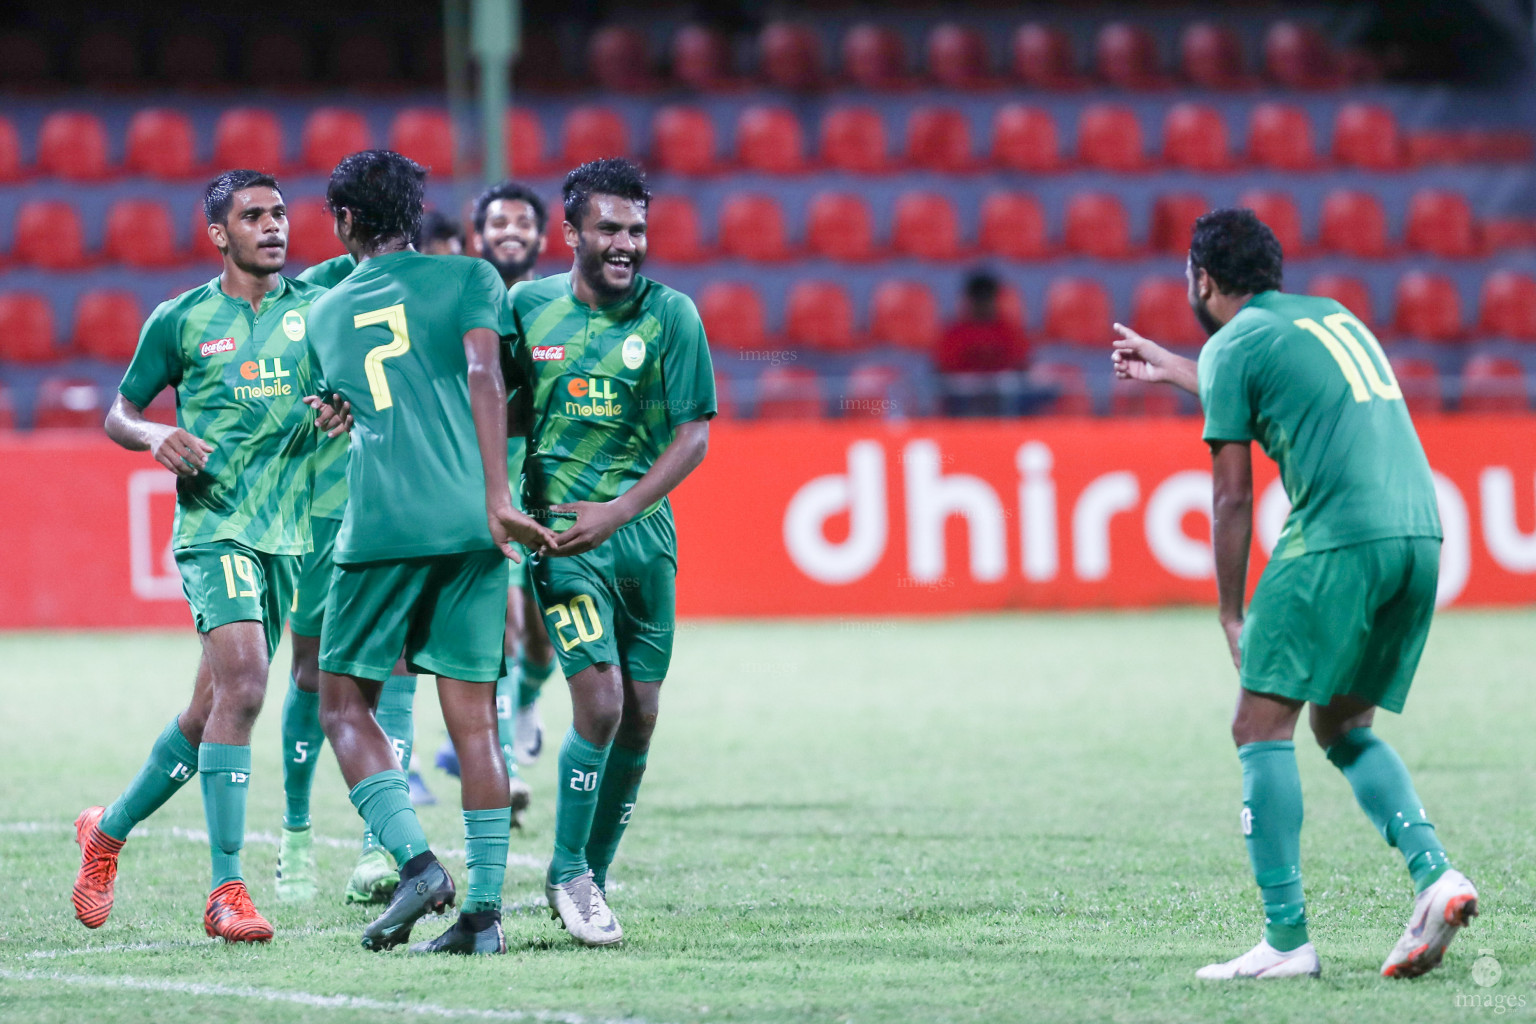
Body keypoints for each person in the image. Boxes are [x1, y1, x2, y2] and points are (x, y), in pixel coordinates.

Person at [1112, 208, 1477, 981]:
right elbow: (1268, 380)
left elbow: (1233, 501)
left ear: (1202, 279)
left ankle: (1286, 942)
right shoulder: (1328, 316)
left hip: (1337, 540)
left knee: (1259, 722)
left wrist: (1228, 609)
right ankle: (1435, 874)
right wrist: (1179, 369)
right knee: (1342, 724)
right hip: (1420, 535)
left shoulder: (1235, 342)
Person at [73, 169, 345, 943]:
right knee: (251, 684)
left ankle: (107, 833)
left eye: (281, 213)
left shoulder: (318, 315)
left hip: (287, 537)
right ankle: (227, 890)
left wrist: (338, 407)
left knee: (210, 710)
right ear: (219, 233)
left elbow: (344, 395)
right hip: (214, 527)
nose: (273, 226)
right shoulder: (181, 319)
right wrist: (157, 435)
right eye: (253, 216)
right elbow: (120, 413)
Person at [305, 150, 556, 955]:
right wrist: (497, 496)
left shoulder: (325, 311)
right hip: (473, 526)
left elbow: (344, 405)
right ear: (417, 215)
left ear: (344, 221)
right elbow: (488, 377)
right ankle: (484, 917)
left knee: (341, 701)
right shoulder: (474, 280)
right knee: (475, 719)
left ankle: (415, 860)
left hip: (380, 526)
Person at [504, 158, 715, 946]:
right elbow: (499, 404)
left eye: (637, 230)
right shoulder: (526, 308)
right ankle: (566, 872)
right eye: (610, 229)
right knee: (600, 701)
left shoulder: (673, 316)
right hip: (563, 539)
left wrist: (622, 510)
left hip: (644, 541)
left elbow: (694, 435)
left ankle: (590, 871)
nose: (627, 244)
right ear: (572, 233)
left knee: (643, 715)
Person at [275, 246, 430, 910]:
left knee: (394, 667)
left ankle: (378, 846)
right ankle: (296, 836)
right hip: (320, 511)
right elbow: (293, 393)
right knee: (311, 675)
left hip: (392, 509)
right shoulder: (317, 294)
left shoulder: (430, 288)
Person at [437, 181, 558, 807]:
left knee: (542, 637)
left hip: (548, 489)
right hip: (482, 489)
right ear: (478, 236)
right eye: (497, 221)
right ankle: (500, 766)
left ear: (542, 236)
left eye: (522, 221)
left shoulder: (557, 305)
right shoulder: (463, 299)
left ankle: (527, 702)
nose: (510, 230)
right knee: (505, 628)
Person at [934, 271, 1030, 416]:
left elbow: (1022, 369)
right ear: (970, 300)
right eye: (979, 298)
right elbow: (943, 374)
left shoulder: (1010, 332)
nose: (983, 304)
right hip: (962, 405)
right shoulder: (954, 334)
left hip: (1004, 404)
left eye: (987, 298)